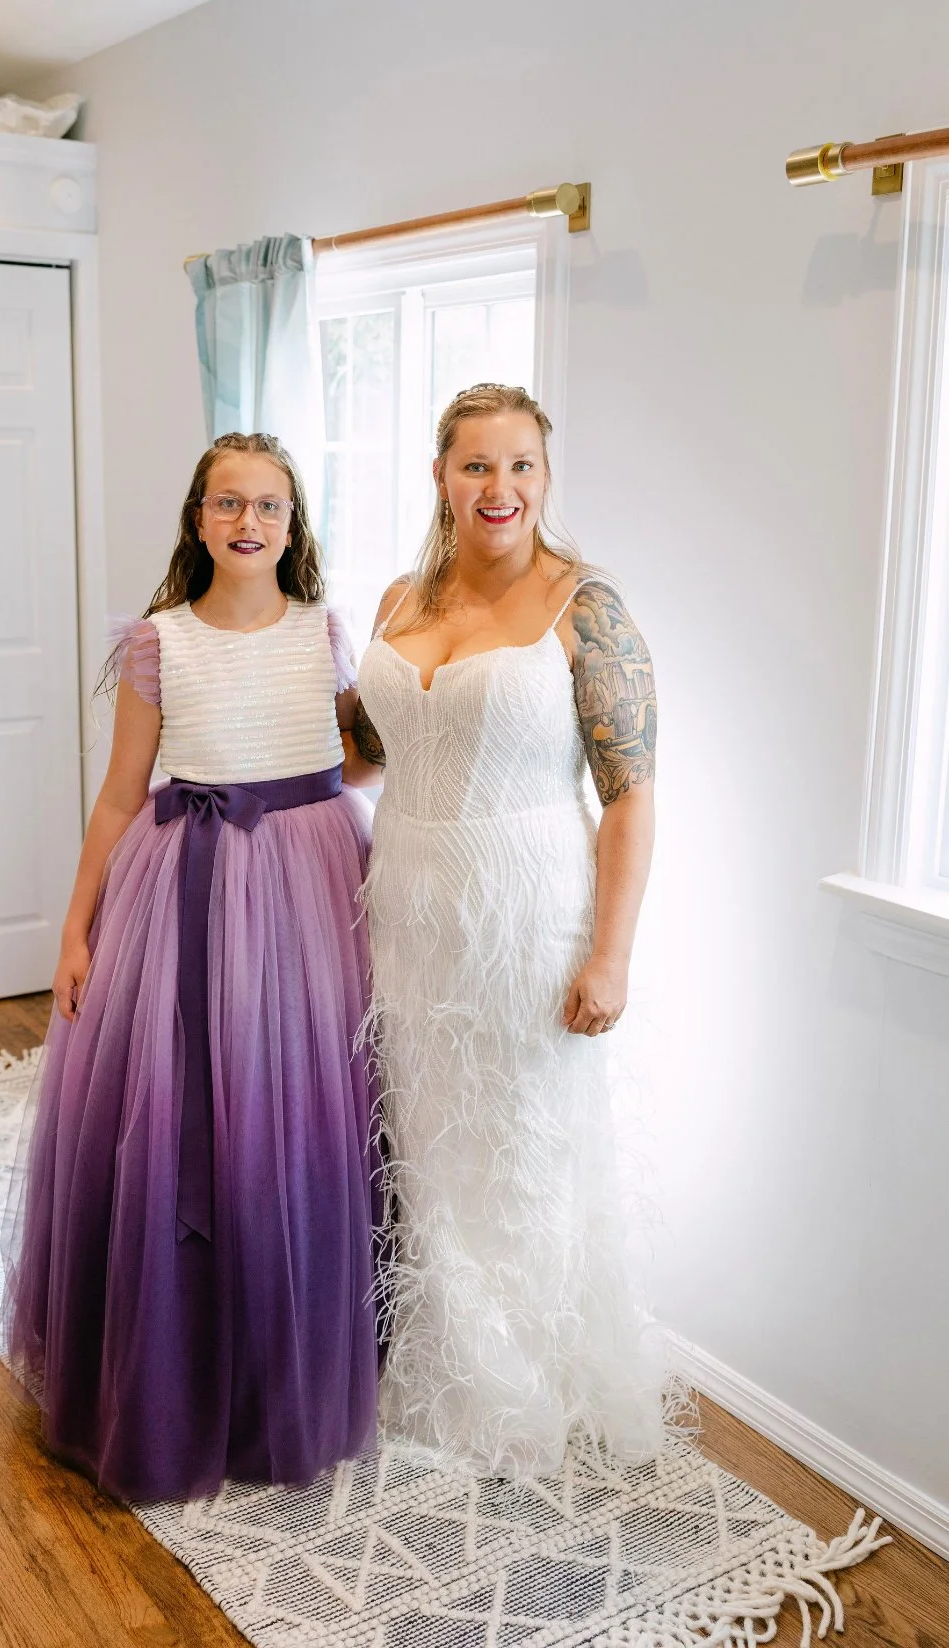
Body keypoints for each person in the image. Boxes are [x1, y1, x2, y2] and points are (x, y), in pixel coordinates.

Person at [1, 432, 380, 1502]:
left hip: (311, 882)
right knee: (180, 1118)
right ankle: (172, 1364)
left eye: (268, 503)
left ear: (293, 523)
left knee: (303, 1114)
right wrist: (76, 930)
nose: (248, 521)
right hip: (190, 885)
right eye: (227, 503)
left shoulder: (329, 632)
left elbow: (351, 752)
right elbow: (121, 793)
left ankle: (290, 1364)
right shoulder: (159, 641)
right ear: (198, 518)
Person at [347, 383, 668, 1478]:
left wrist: (609, 956)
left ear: (545, 476)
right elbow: (360, 751)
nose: (499, 488)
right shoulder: (398, 598)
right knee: (430, 1145)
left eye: (520, 465)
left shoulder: (586, 607)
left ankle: (531, 1391)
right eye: (475, 465)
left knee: (522, 1148)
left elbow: (630, 796)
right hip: (407, 908)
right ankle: (449, 1377)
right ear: (439, 475)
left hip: (529, 913)